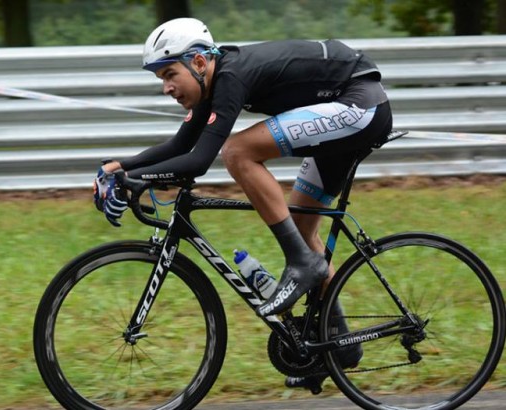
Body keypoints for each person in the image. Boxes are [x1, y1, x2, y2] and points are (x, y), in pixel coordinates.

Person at [93, 17, 392, 389]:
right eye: (160, 79)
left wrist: (135, 181)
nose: (166, 87)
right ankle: (340, 349)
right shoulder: (213, 82)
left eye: (170, 74)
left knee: (238, 151)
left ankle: (301, 263)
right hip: (345, 108)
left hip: (358, 103)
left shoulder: (231, 76)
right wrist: (120, 168)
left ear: (198, 62)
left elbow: (199, 161)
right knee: (302, 228)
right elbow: (180, 146)